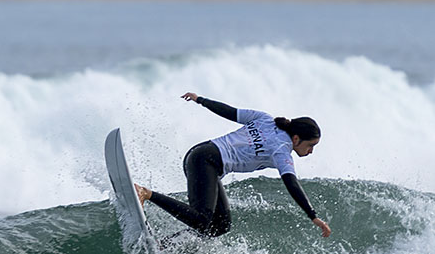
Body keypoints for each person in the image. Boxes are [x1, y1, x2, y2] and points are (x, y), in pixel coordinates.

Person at [135, 92, 332, 239]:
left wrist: (200, 100)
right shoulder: (282, 150)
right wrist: (312, 216)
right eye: (310, 145)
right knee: (203, 219)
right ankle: (146, 193)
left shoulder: (265, 118)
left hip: (200, 153)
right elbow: (292, 183)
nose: (311, 151)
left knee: (220, 225)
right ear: (296, 138)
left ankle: (166, 245)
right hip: (207, 161)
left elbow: (229, 112)